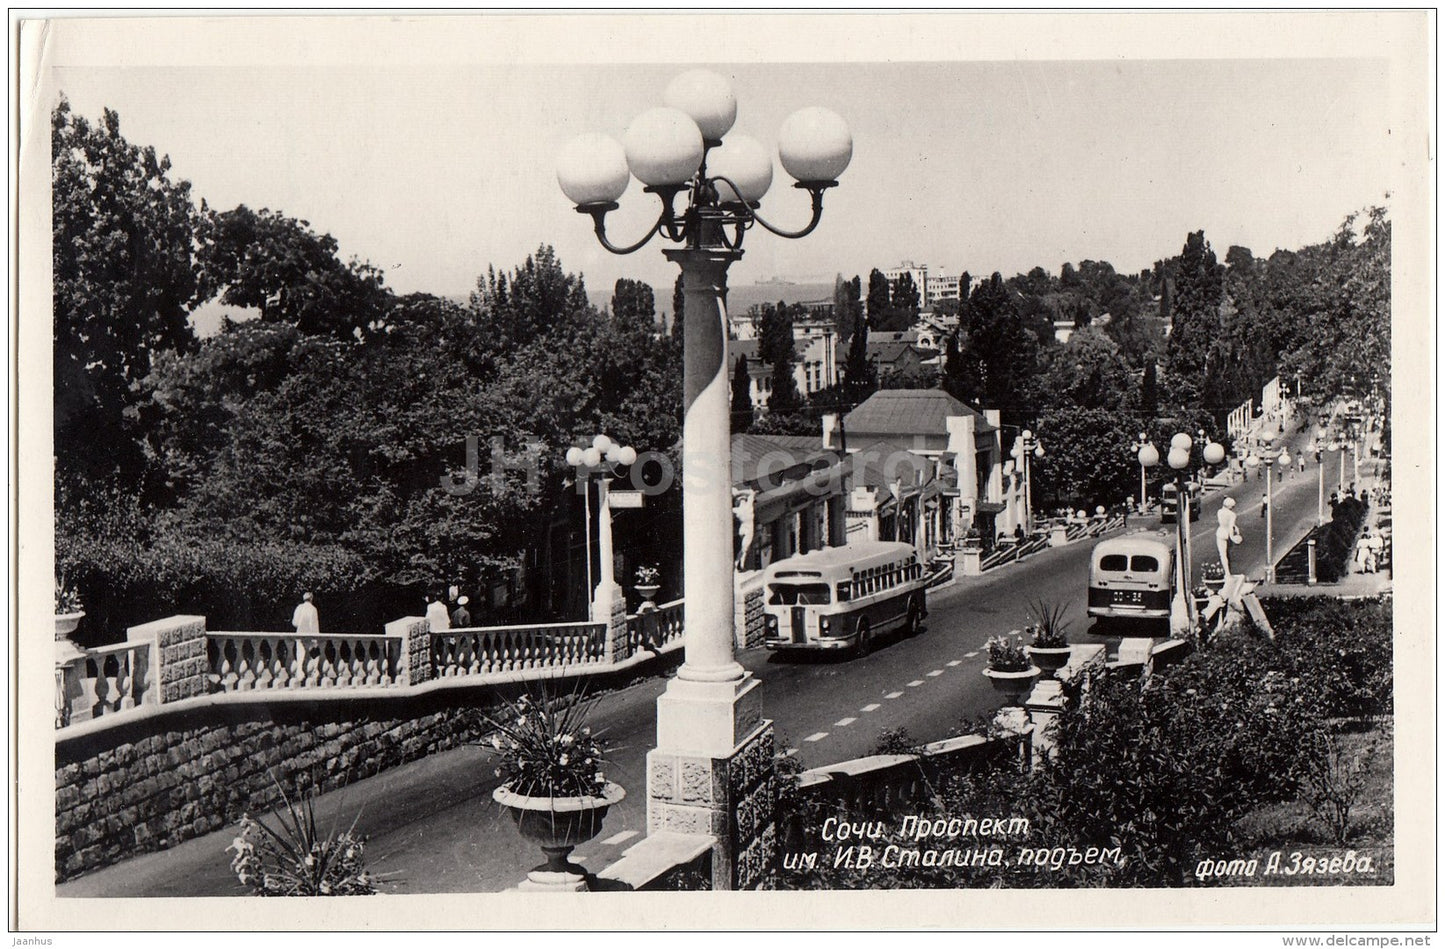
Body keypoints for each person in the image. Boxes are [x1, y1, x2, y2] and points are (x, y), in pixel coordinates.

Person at [1215, 497, 1241, 576]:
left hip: (1220, 532)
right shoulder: (1232, 514)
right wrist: (1233, 537)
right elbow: (1230, 526)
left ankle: (1226, 571)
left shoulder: (1219, 512)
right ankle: (1227, 572)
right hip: (1227, 534)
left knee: (1222, 554)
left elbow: (1223, 523)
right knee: (1227, 553)